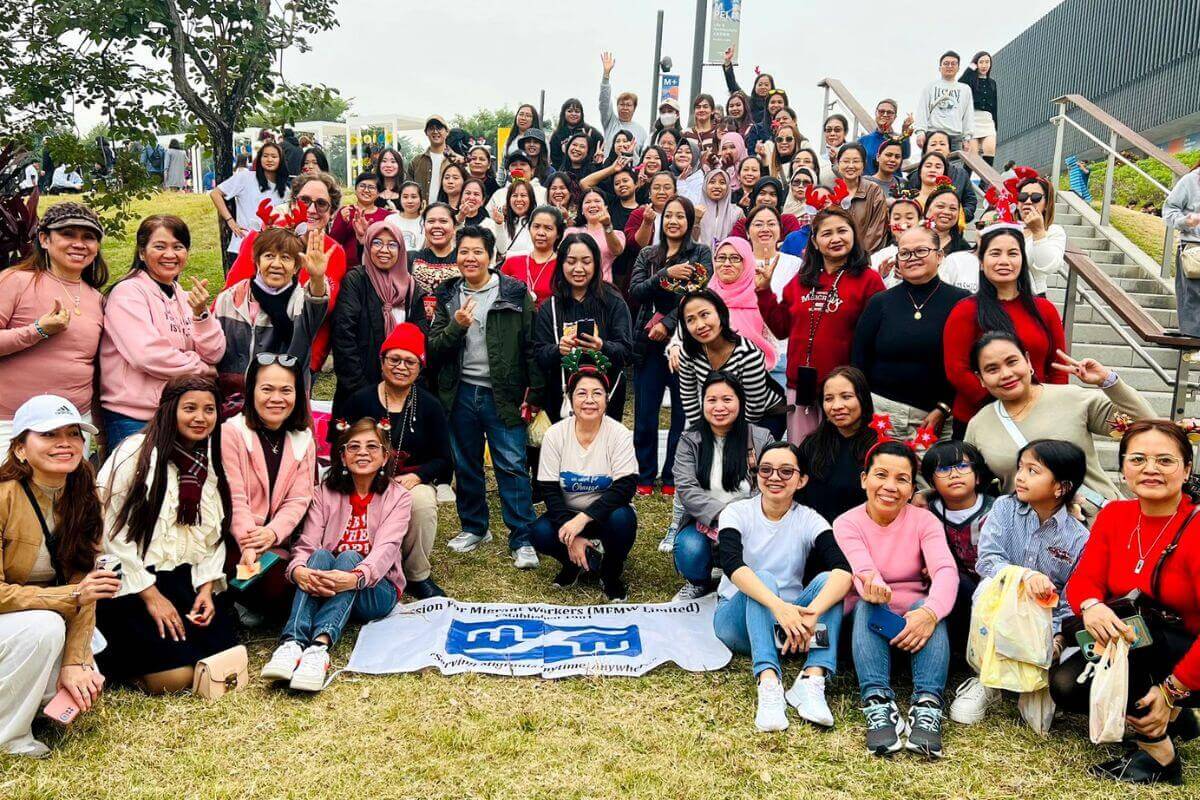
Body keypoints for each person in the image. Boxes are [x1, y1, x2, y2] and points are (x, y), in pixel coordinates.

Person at [1053, 421, 1200, 784]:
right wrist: (1092, 605)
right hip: (1143, 641)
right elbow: (1085, 579)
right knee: (1067, 686)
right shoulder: (1115, 515)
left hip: (1190, 651)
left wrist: (1171, 691)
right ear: (1122, 468)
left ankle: (1159, 754)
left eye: (1165, 460)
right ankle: (1179, 720)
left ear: (1186, 469)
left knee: (1133, 636)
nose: (1150, 469)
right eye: (1138, 459)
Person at [95, 376, 238, 694]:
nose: (200, 418)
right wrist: (152, 597)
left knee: (220, 658)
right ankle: (121, 668)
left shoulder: (209, 460)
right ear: (169, 409)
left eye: (209, 410)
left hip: (183, 578)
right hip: (131, 582)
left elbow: (212, 536)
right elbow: (108, 530)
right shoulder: (135, 453)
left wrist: (206, 588)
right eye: (190, 408)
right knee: (174, 680)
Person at [0, 396, 116, 757]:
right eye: (49, 434)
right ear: (20, 448)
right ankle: (9, 738)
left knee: (77, 688)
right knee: (45, 627)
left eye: (73, 433)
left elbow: (86, 587)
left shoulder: (83, 496)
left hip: (37, 620)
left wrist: (75, 661)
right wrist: (69, 597)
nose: (64, 443)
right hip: (24, 621)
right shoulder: (3, 496)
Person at [260, 418, 411, 692]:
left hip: (376, 589)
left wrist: (354, 577)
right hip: (326, 582)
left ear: (385, 456)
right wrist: (298, 570)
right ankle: (292, 644)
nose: (362, 453)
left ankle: (319, 647)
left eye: (371, 447)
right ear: (342, 456)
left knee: (350, 556)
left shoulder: (398, 497)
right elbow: (307, 542)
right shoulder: (323, 493)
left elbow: (386, 550)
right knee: (318, 555)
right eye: (353, 447)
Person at [714, 440, 853, 731]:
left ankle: (812, 679)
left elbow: (843, 572)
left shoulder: (810, 519)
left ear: (801, 480)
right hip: (737, 624)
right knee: (761, 578)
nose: (774, 477)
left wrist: (812, 614)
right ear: (756, 475)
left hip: (790, 630)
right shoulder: (736, 512)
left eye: (786, 471)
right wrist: (778, 607)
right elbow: (732, 565)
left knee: (829, 582)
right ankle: (769, 682)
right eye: (766, 470)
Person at [949, 439, 1088, 727]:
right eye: (1020, 467)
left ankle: (1034, 680)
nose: (1021, 477)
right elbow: (988, 560)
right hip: (999, 604)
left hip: (1043, 620)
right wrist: (1024, 576)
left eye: (1033, 471)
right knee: (988, 588)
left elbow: (1071, 597)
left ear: (1061, 487)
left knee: (1040, 712)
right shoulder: (1005, 508)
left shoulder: (1078, 537)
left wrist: (1058, 637)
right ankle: (985, 680)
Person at [428, 226, 542, 569]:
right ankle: (475, 527)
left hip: (504, 393)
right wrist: (457, 325)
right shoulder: (448, 294)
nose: (470, 258)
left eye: (477, 251)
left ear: (491, 256)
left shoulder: (513, 292)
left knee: (512, 464)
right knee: (466, 463)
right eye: (464, 251)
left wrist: (534, 392)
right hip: (460, 391)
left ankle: (523, 537)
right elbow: (434, 348)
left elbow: (531, 346)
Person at [835, 441, 957, 758]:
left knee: (926, 606)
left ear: (912, 488)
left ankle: (927, 707)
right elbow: (863, 568)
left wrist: (930, 613)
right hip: (869, 628)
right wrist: (873, 586)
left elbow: (945, 570)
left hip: (918, 629)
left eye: (902, 479)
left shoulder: (925, 521)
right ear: (864, 479)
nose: (890, 486)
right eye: (881, 475)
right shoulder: (847, 523)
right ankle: (877, 702)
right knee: (869, 604)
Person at [964, 333, 1153, 514]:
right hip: (1029, 530)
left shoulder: (1072, 398)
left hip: (1098, 522)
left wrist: (1107, 380)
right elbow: (969, 486)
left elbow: (1146, 425)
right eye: (992, 369)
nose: (1006, 374)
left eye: (1012, 362)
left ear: (1028, 361)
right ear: (981, 378)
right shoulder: (979, 426)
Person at [339, 324, 452, 599]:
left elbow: (444, 458)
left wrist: (418, 477)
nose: (401, 367)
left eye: (410, 362)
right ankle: (355, 561)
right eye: (394, 359)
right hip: (362, 478)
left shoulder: (430, 406)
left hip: (409, 482)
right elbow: (338, 443)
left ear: (419, 368)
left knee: (422, 502)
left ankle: (417, 574)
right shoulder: (359, 400)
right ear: (382, 362)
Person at [756, 207, 885, 442]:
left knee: (841, 451)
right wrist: (764, 292)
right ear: (815, 242)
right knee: (802, 451)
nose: (835, 238)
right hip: (801, 387)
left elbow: (877, 337)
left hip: (844, 391)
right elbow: (781, 329)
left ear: (854, 235)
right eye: (827, 233)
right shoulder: (801, 281)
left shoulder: (869, 280)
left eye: (842, 231)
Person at [100, 216, 225, 449]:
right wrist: (201, 369)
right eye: (160, 246)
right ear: (141, 253)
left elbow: (214, 352)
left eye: (178, 247)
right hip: (135, 417)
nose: (170, 254)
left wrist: (201, 314)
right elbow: (147, 355)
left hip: (178, 413)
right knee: (135, 474)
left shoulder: (184, 297)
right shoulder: (128, 293)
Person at [0, 203, 108, 460]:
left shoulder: (98, 299)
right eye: (68, 234)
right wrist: (38, 330)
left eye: (88, 237)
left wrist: (101, 434)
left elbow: (96, 370)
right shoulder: (15, 281)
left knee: (64, 488)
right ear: (44, 239)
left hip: (74, 424)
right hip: (11, 424)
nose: (79, 244)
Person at [221, 172, 348, 375]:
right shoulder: (262, 239)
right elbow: (231, 294)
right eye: (305, 200)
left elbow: (326, 310)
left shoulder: (334, 253)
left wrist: (313, 362)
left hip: (300, 360)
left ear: (332, 212)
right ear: (293, 203)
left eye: (322, 204)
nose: (312, 209)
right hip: (251, 354)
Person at [220, 356, 316, 617]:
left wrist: (273, 533)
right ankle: (236, 598)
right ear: (252, 391)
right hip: (236, 539)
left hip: (277, 542)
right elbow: (234, 497)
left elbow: (298, 499)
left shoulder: (303, 439)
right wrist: (249, 543)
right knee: (269, 586)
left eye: (286, 390)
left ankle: (248, 597)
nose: (277, 398)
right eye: (267, 389)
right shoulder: (232, 432)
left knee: (295, 587)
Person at [943, 228, 1068, 430]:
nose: (1004, 261)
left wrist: (1046, 406)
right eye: (995, 253)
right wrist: (1004, 403)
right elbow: (957, 369)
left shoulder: (1045, 310)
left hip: (1037, 417)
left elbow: (1058, 366)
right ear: (981, 262)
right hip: (981, 419)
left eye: (1012, 253)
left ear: (1022, 261)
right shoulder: (965, 310)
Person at [852, 226, 969, 440]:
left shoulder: (961, 301)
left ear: (939, 256)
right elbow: (860, 359)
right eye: (905, 253)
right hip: (881, 414)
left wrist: (944, 407)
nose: (912, 258)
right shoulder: (880, 302)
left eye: (921, 251)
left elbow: (967, 362)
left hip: (935, 418)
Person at [530, 368, 637, 602]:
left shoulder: (619, 434)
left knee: (623, 519)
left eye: (597, 393)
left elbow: (625, 487)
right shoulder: (555, 434)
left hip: (607, 514)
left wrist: (584, 518)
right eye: (581, 393)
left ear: (607, 399)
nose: (589, 400)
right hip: (568, 514)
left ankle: (611, 572)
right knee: (539, 532)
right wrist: (573, 536)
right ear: (570, 398)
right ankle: (575, 562)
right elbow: (549, 489)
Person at [629, 197, 712, 494]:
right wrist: (665, 274)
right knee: (645, 413)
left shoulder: (700, 253)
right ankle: (644, 474)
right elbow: (636, 291)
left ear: (690, 222)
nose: (674, 221)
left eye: (681, 216)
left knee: (682, 413)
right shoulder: (649, 254)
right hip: (648, 344)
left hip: (685, 344)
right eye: (670, 216)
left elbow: (698, 297)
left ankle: (673, 476)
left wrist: (668, 323)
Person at [671, 373, 773, 599]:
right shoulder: (691, 440)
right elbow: (687, 489)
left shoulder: (761, 438)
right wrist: (723, 516)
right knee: (689, 549)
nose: (719, 407)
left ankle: (741, 574)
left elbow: (772, 485)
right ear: (703, 403)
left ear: (740, 402)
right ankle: (699, 581)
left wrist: (740, 520)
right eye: (712, 400)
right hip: (704, 523)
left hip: (751, 523)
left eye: (727, 399)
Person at [331, 214, 427, 418]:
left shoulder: (411, 288)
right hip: (358, 388)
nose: (384, 250)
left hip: (401, 389)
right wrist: (362, 390)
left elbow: (420, 340)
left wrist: (408, 384)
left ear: (401, 250)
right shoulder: (356, 280)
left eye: (392, 245)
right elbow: (343, 335)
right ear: (367, 246)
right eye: (377, 243)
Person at [212, 226, 329, 388]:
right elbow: (213, 350)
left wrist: (317, 278)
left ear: (296, 267)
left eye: (285, 257)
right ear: (257, 261)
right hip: (233, 398)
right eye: (269, 256)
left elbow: (315, 303)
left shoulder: (299, 303)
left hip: (282, 398)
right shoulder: (228, 299)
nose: (276, 264)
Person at [534, 233, 632, 422]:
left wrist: (602, 346)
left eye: (586, 262)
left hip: (607, 396)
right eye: (571, 262)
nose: (578, 269)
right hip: (562, 399)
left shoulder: (613, 302)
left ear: (596, 263)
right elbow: (539, 354)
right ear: (561, 264)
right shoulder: (550, 307)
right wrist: (558, 349)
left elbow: (626, 352)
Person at [920, 439, 996, 655]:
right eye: (943, 469)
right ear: (931, 482)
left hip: (993, 588)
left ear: (977, 476)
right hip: (952, 589)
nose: (954, 474)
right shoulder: (927, 513)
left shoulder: (997, 510)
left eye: (962, 466)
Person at [674, 290, 784, 430]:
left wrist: (725, 434)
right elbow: (689, 397)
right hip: (724, 413)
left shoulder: (747, 353)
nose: (700, 325)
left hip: (764, 414)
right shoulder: (689, 353)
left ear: (720, 313)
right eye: (690, 320)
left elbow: (754, 407)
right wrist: (700, 431)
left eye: (704, 315)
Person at [796, 367, 877, 523]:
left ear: (863, 399)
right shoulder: (811, 444)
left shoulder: (879, 448)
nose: (836, 406)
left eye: (846, 397)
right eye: (829, 399)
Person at [210, 141, 289, 257]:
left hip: (270, 249)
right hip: (243, 245)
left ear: (280, 160)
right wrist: (230, 221)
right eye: (265, 156)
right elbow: (215, 194)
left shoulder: (285, 190)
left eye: (274, 156)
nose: (269, 160)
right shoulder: (245, 177)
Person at [1013, 170, 1067, 296]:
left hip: (1032, 297)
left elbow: (1048, 266)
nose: (1028, 201)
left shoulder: (1053, 231)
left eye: (1035, 197)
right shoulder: (1007, 227)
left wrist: (1038, 232)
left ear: (1047, 204)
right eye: (1022, 197)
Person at [1163, 162, 1200, 336]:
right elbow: (1169, 211)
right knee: (1192, 298)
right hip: (1194, 249)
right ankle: (1191, 340)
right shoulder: (1191, 180)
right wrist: (1187, 221)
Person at [501, 205, 563, 307]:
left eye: (548, 228)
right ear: (529, 228)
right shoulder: (512, 262)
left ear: (558, 233)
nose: (540, 233)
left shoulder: (563, 266)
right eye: (536, 226)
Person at [914, 51, 975, 153]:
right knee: (932, 163)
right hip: (933, 134)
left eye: (953, 64)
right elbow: (922, 110)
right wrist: (920, 132)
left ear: (958, 68)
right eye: (946, 63)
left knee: (955, 164)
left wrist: (967, 137)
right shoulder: (931, 87)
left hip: (955, 138)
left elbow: (968, 114)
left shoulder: (965, 89)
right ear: (940, 67)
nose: (949, 66)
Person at [409, 203, 460, 322]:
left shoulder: (465, 259)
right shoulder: (410, 258)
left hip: (455, 327)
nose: (436, 226)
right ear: (424, 226)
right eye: (431, 221)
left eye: (443, 221)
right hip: (418, 327)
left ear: (454, 227)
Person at [329, 172, 391, 268]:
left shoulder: (386, 216)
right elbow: (334, 241)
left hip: (378, 268)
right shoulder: (346, 211)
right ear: (355, 189)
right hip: (349, 269)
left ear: (378, 193)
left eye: (371, 187)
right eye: (362, 186)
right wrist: (342, 221)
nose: (366, 190)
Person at [923, 184, 979, 291]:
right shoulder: (912, 240)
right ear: (927, 209)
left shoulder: (964, 249)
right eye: (940, 206)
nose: (946, 212)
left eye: (953, 208)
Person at [910, 132, 978, 220]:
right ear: (925, 150)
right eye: (933, 144)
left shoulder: (961, 174)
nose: (938, 147)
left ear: (949, 150)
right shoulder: (916, 175)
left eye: (942, 144)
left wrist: (957, 216)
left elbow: (970, 201)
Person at [564, 189, 626, 282]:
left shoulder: (616, 234)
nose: (593, 205)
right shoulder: (571, 232)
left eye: (597, 201)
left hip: (603, 286)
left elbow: (617, 251)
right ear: (581, 210)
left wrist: (607, 226)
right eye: (588, 202)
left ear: (606, 207)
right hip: (573, 285)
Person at [835, 143, 888, 253]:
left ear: (863, 165)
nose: (851, 166)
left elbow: (877, 231)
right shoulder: (832, 193)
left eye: (856, 161)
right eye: (846, 161)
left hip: (866, 257)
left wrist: (860, 257)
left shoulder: (874, 191)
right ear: (838, 164)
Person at [598, 52, 648, 152]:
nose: (625, 107)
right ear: (617, 106)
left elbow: (643, 156)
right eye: (621, 104)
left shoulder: (641, 131)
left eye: (628, 105)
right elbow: (604, 101)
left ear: (634, 108)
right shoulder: (610, 122)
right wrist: (606, 75)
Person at [869, 196, 923, 287]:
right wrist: (882, 276)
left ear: (920, 221)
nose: (903, 223)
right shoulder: (879, 257)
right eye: (897, 218)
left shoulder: (929, 253)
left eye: (909, 218)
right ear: (889, 222)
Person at [729, 178, 802, 240]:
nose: (767, 199)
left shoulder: (788, 221)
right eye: (762, 193)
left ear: (779, 199)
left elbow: (796, 246)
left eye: (773, 194)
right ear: (755, 197)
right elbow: (736, 248)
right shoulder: (743, 224)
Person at [721, 46, 775, 128]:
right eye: (760, 84)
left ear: (772, 87)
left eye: (766, 85)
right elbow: (733, 86)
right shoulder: (748, 102)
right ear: (755, 87)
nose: (763, 87)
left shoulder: (775, 105)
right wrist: (727, 62)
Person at [960, 52, 998, 167]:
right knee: (972, 157)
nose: (984, 65)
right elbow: (960, 83)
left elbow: (995, 106)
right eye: (981, 62)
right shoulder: (970, 80)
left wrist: (996, 126)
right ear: (976, 64)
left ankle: (985, 179)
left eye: (987, 62)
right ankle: (966, 178)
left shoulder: (992, 83)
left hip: (988, 120)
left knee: (990, 151)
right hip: (973, 120)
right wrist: (970, 67)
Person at [484, 178, 536, 261]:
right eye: (515, 196)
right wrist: (499, 224)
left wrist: (506, 255)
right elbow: (501, 250)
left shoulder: (537, 223)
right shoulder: (502, 222)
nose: (519, 199)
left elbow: (534, 252)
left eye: (523, 195)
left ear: (531, 199)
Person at [858, 99, 913, 176]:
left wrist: (905, 131)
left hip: (892, 183)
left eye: (889, 112)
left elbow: (906, 154)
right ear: (876, 113)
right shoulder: (863, 141)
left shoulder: (899, 139)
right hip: (868, 182)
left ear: (895, 117)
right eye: (881, 111)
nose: (885, 115)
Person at [408, 116, 454, 206]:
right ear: (426, 132)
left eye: (439, 128)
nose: (435, 131)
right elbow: (408, 190)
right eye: (431, 128)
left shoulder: (456, 161)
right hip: (421, 212)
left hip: (448, 212)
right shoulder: (416, 162)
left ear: (447, 131)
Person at [549, 98, 604, 172]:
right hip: (563, 172)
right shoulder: (557, 134)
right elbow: (554, 158)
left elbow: (601, 148)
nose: (574, 114)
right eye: (570, 111)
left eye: (577, 111)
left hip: (587, 172)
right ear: (563, 113)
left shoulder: (590, 131)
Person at [695, 170, 743, 248]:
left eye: (722, 182)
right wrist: (696, 220)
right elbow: (688, 242)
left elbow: (741, 242)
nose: (717, 186)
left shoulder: (737, 213)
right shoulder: (695, 211)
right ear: (705, 186)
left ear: (728, 187)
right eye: (712, 182)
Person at [683, 93, 720, 158]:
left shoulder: (718, 132)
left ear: (712, 111)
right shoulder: (686, 133)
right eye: (698, 107)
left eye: (705, 107)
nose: (701, 110)